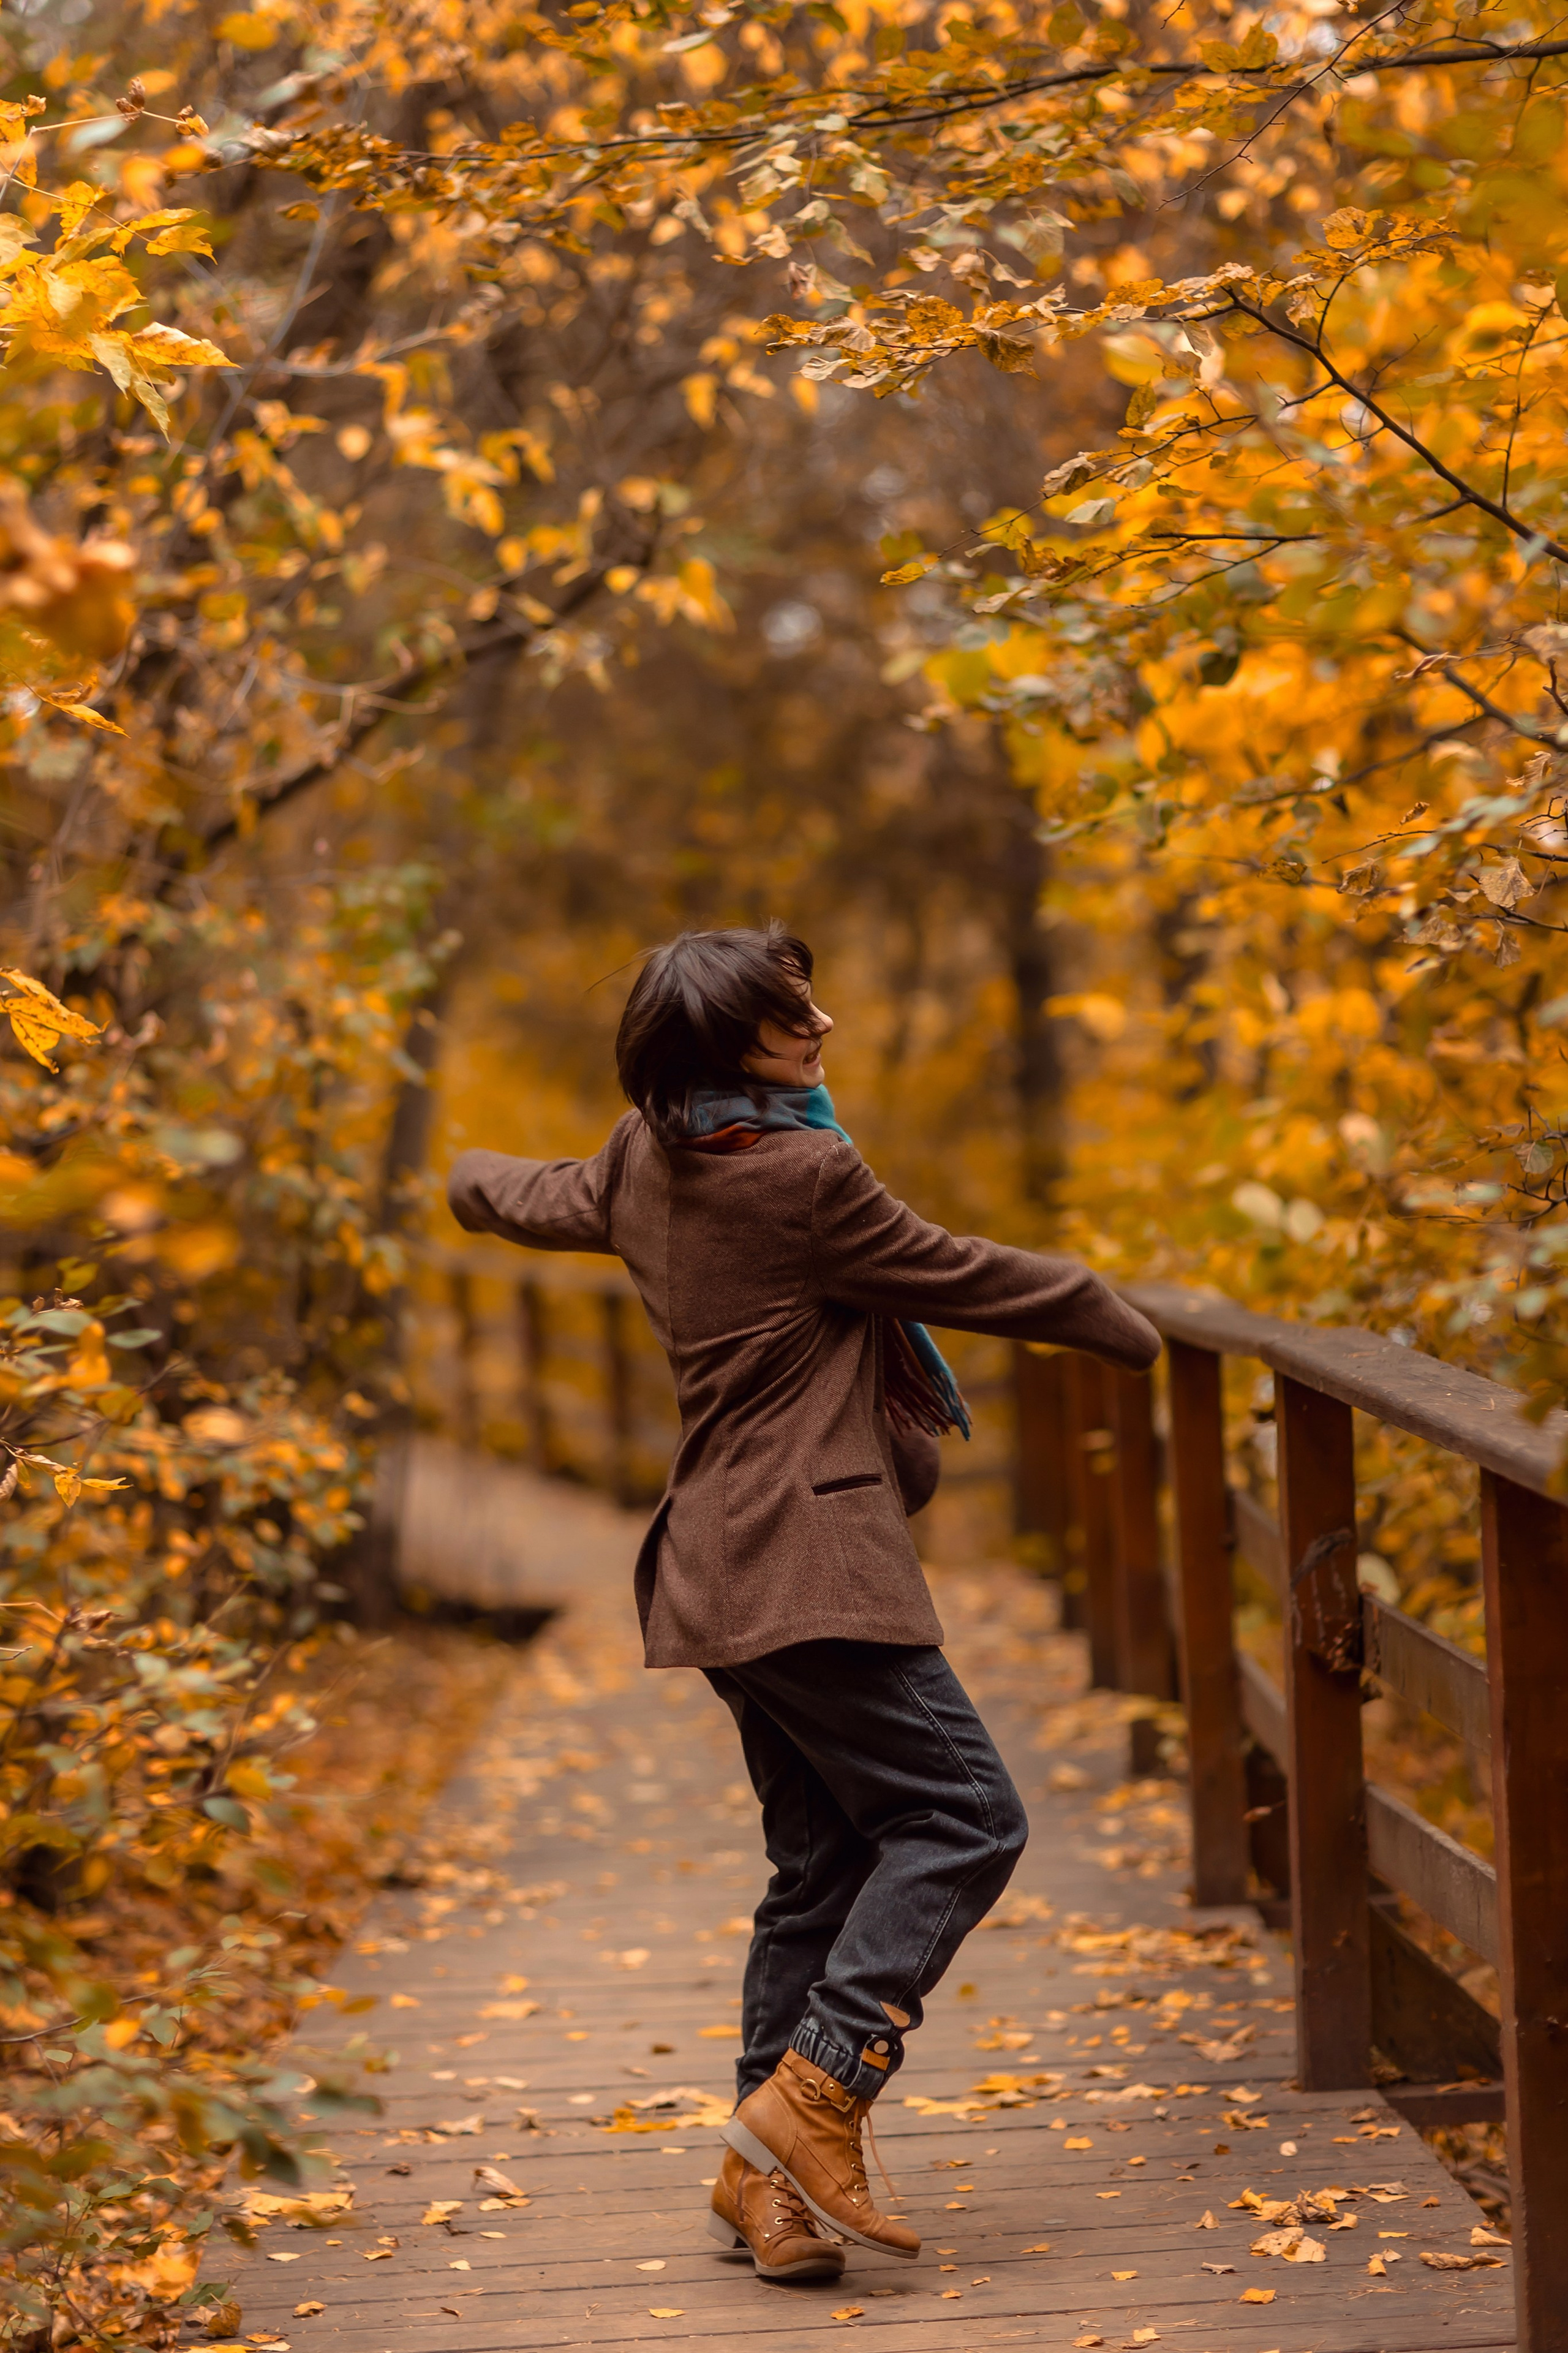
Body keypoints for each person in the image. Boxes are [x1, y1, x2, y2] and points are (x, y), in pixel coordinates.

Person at [447, 923, 1161, 2283]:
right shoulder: (805, 1178)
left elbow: (527, 1194)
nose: (819, 1027)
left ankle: (756, 2178)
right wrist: (1116, 1317)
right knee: (968, 1816)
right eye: (791, 1020)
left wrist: (461, 1177)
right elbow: (962, 1272)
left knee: (821, 1865)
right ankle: (818, 2091)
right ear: (732, 1051)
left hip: (710, 1569)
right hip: (806, 1563)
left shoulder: (641, 1154)